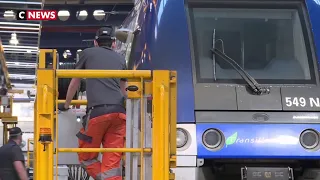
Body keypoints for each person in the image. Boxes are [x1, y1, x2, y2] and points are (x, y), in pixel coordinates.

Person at [58, 26, 127, 180]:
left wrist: (66, 105)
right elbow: (125, 90)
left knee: (86, 157)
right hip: (119, 115)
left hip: (98, 114)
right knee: (112, 162)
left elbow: (75, 80)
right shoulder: (121, 59)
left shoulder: (87, 53)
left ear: (96, 43)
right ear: (114, 43)